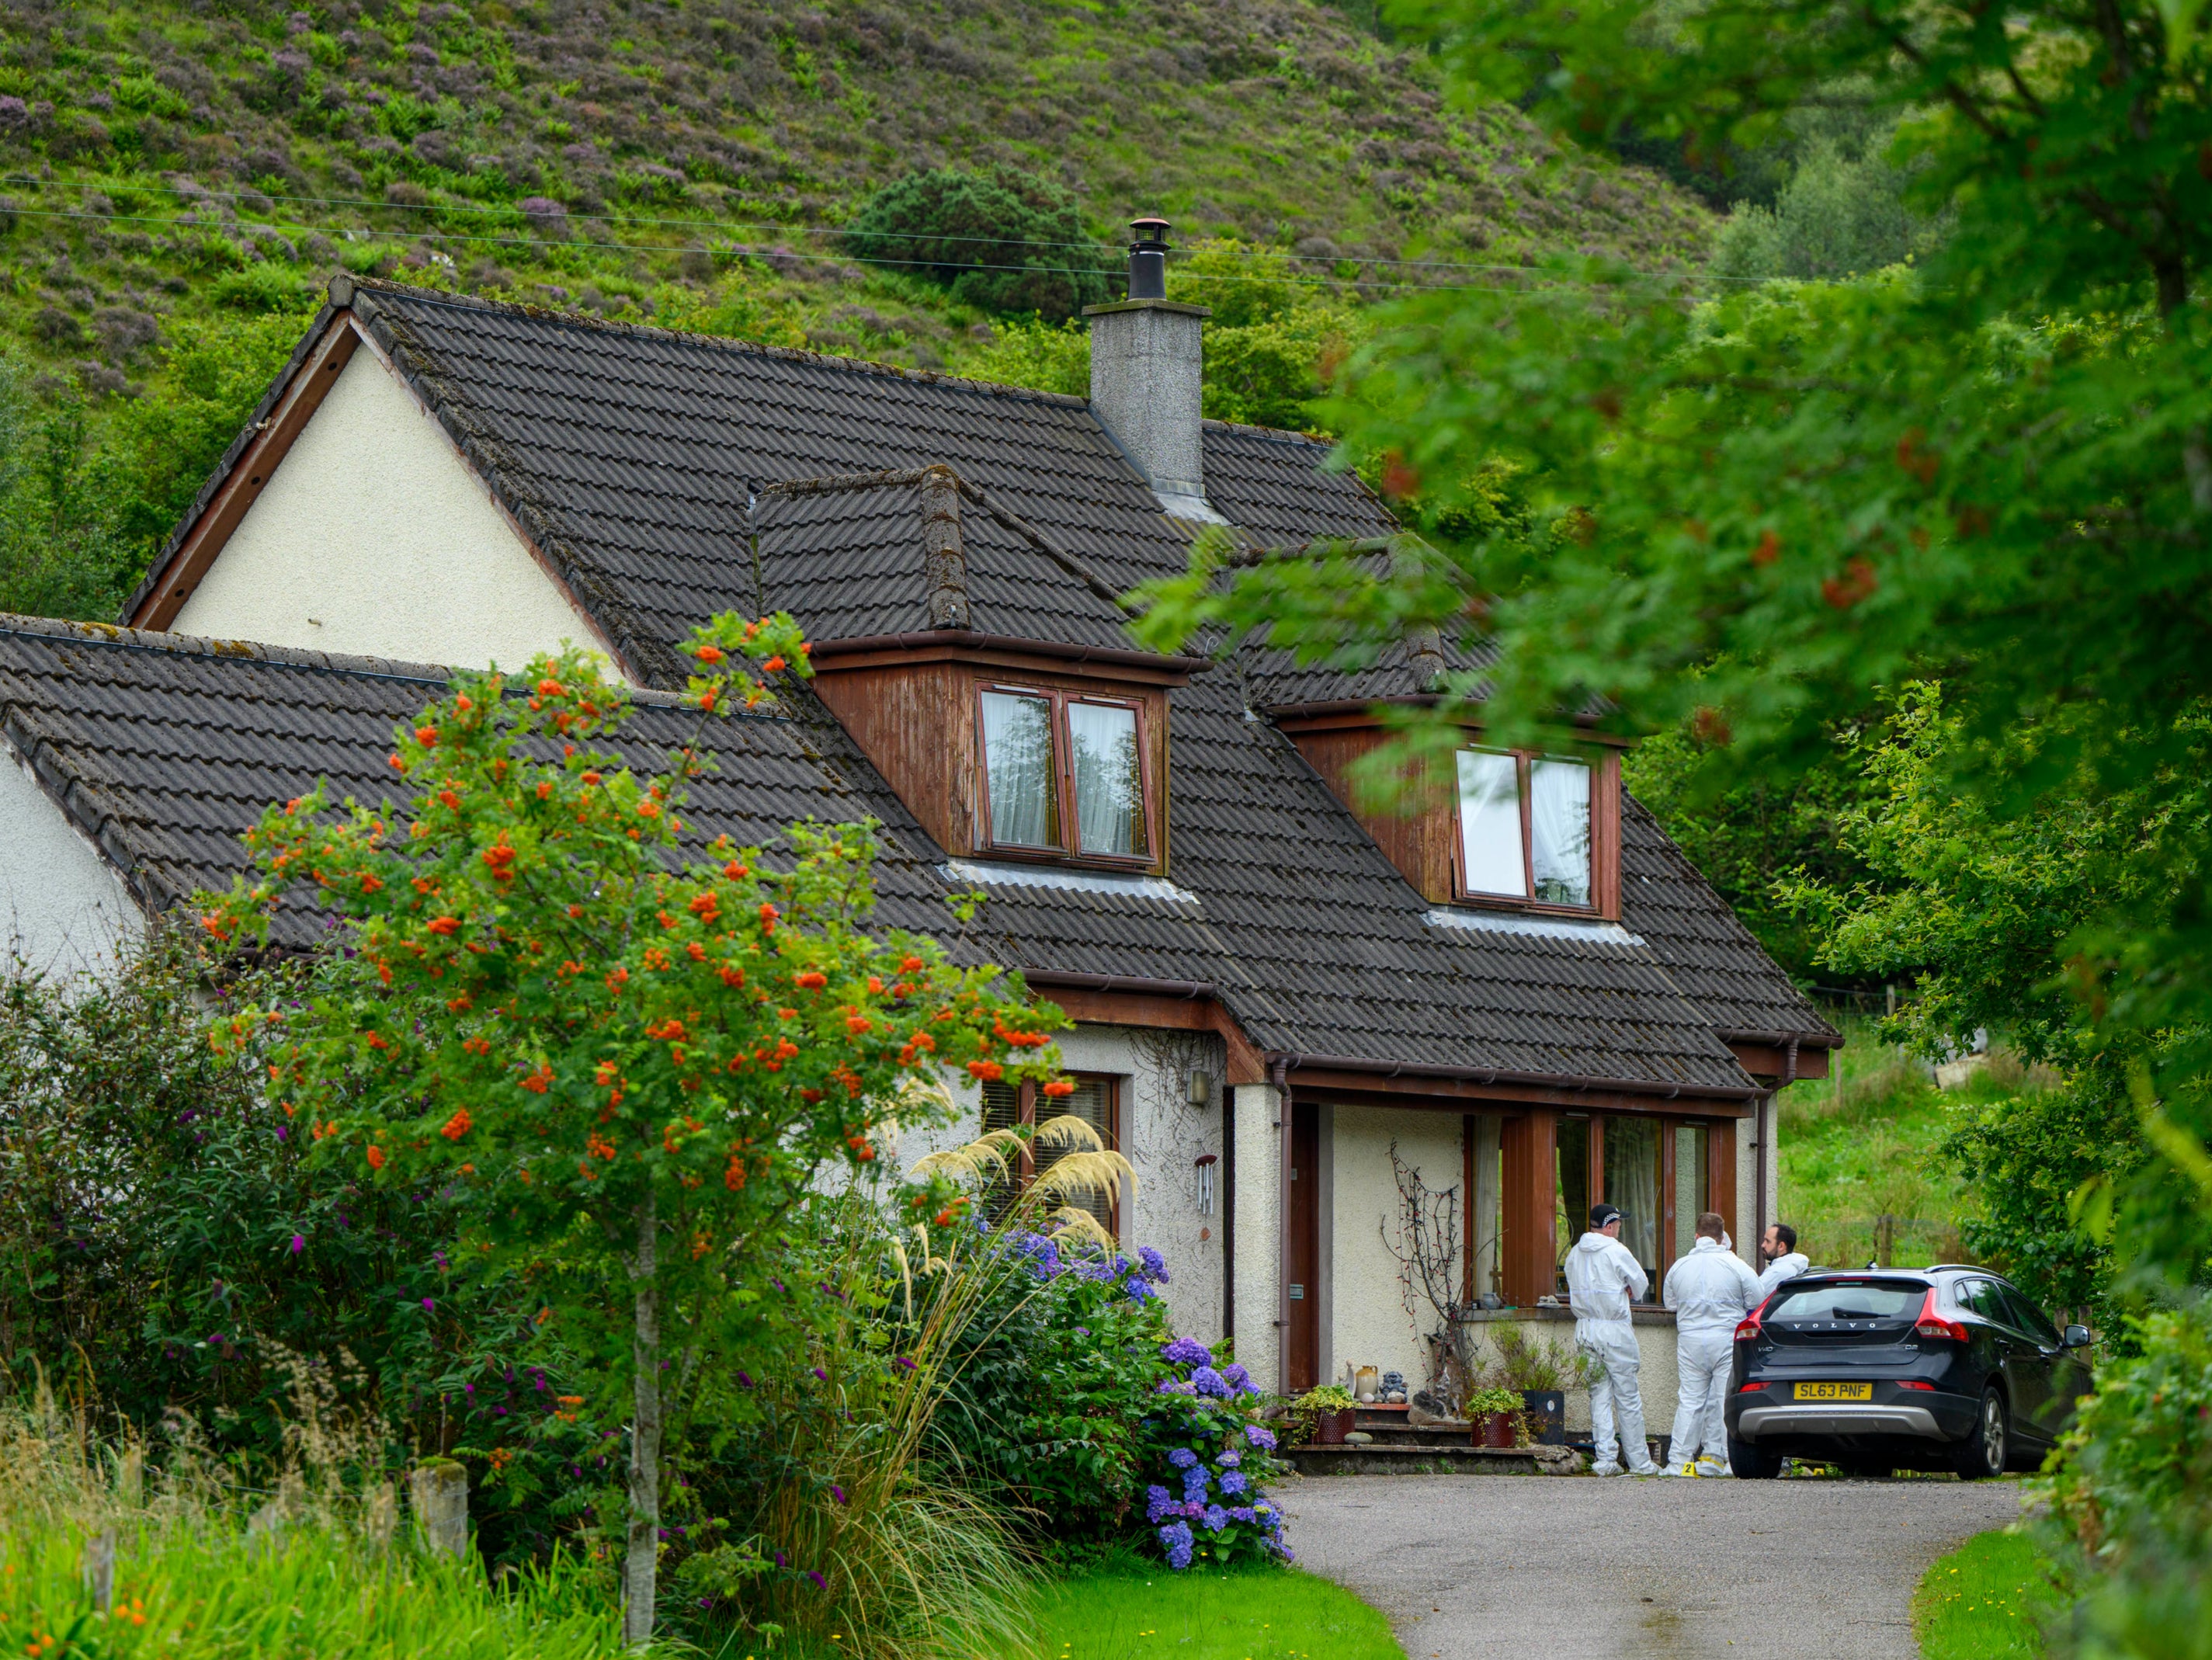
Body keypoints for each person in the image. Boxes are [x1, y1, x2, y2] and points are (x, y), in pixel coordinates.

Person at [1662, 1211, 1763, 1476]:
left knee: (1690, 1400)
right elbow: (1756, 1300)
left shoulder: (1680, 1267)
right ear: (1722, 1238)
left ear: (1696, 1236)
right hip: (1725, 1340)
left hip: (1690, 1341)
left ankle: (1679, 1462)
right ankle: (1726, 1460)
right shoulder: (1736, 1265)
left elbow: (1670, 1304)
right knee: (1723, 1400)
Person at [1564, 1203, 1661, 1476]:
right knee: (1627, 1397)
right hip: (1614, 1329)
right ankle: (1640, 1462)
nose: (1620, 1228)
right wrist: (1629, 1289)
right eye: (1618, 1223)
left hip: (1585, 1329)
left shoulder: (1574, 1253)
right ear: (1609, 1225)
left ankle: (1605, 1459)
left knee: (1599, 1396)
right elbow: (1640, 1284)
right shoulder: (1617, 1251)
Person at [1756, 1223, 1810, 1299]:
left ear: (1781, 1246)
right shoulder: (1793, 1266)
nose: (1763, 1245)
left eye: (1768, 1241)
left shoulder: (1780, 1271)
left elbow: (1753, 1297)